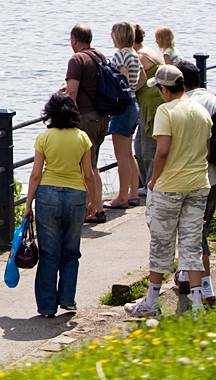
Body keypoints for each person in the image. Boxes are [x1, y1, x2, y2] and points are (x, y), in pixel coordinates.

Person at [124, 65, 213, 317]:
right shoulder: (201, 112)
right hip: (198, 184)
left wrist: (153, 179)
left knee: (161, 243)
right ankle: (196, 305)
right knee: (192, 244)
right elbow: (205, 150)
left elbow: (162, 150)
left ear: (164, 89)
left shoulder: (166, 111)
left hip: (170, 186)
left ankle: (152, 301)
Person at [24, 92, 96, 318]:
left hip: (48, 196)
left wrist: (28, 203)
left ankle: (46, 306)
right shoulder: (83, 137)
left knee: (49, 253)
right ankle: (67, 299)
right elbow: (89, 174)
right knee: (71, 251)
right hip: (75, 195)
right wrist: (92, 199)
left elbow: (36, 174)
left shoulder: (45, 138)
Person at [173, 60, 216, 305]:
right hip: (213, 175)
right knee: (200, 230)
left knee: (194, 233)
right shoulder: (212, 99)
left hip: (198, 176)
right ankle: (186, 275)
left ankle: (207, 287)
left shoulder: (188, 105)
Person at [62, 23, 108, 223]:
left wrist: (65, 116)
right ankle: (96, 207)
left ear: (74, 39)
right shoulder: (99, 56)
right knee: (93, 164)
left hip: (85, 117)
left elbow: (72, 92)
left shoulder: (77, 59)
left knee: (85, 166)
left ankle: (92, 209)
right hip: (101, 116)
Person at [103, 22, 143, 209]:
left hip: (123, 106)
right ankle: (133, 193)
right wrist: (134, 89)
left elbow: (123, 79)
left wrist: (119, 93)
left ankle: (122, 196)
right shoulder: (135, 54)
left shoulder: (120, 55)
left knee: (121, 155)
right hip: (134, 103)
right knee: (129, 152)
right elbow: (142, 77)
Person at [133, 24, 164, 194]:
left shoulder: (140, 55)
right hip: (149, 104)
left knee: (147, 147)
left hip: (152, 105)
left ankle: (151, 184)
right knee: (139, 146)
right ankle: (146, 182)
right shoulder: (147, 50)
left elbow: (136, 80)